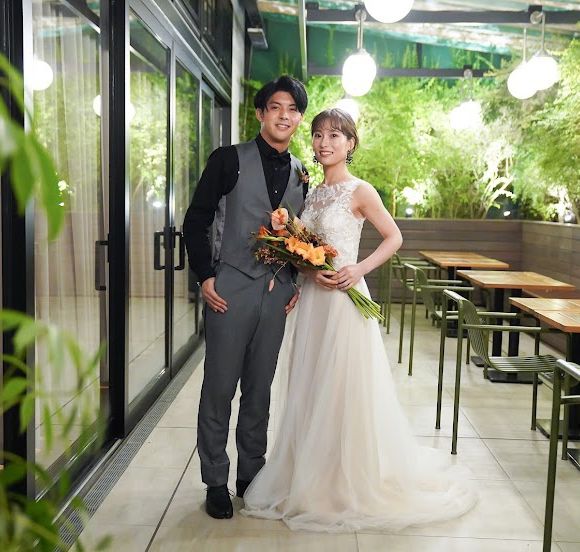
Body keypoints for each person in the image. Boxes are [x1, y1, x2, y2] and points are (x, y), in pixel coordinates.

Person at [241, 108, 477, 532]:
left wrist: (359, 269)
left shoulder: (360, 190)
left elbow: (394, 236)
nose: (324, 143)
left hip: (345, 301)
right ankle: (307, 474)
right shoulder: (310, 192)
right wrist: (307, 271)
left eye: (335, 135)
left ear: (350, 143)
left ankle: (344, 480)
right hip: (313, 300)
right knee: (311, 384)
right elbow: (302, 247)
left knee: (342, 388)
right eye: (318, 135)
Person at [182, 76, 309, 520]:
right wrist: (205, 276)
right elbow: (196, 219)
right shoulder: (228, 160)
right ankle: (216, 480)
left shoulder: (302, 173)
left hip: (276, 295)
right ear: (260, 113)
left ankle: (251, 474)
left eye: (292, 109)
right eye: (276, 107)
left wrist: (294, 280)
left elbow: (300, 236)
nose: (284, 116)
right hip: (229, 289)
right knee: (219, 388)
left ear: (299, 118)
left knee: (260, 390)